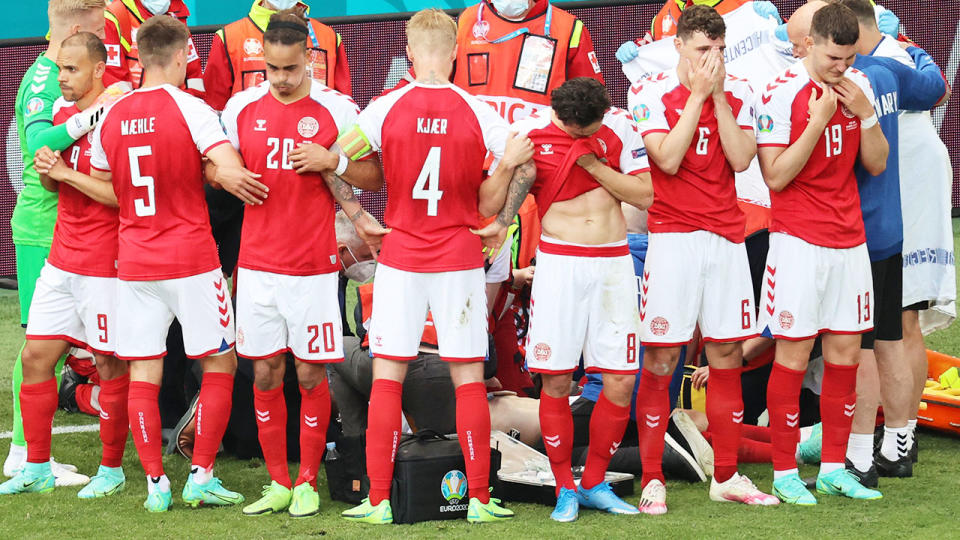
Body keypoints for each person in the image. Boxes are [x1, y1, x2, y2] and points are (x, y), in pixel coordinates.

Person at [335, 8, 530, 525]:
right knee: (467, 377)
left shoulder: (384, 108)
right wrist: (502, 222)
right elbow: (524, 162)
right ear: (456, 52)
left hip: (400, 255)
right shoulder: (477, 109)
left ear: (409, 49)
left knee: (387, 376)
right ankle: (481, 500)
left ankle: (378, 500)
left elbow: (336, 159)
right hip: (459, 257)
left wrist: (358, 215)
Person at [86, 14, 268, 512]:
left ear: (140, 55)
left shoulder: (115, 116)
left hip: (137, 262)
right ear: (186, 52)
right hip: (191, 259)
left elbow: (106, 186)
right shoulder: (192, 108)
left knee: (145, 368)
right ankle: (202, 474)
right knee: (220, 361)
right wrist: (219, 169)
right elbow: (228, 166)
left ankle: (154, 484)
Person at [218, 8, 382, 518]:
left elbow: (374, 175)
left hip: (313, 268)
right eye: (272, 69)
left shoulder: (339, 109)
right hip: (258, 268)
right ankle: (277, 483)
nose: (281, 79)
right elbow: (212, 159)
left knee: (311, 375)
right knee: (265, 373)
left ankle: (308, 480)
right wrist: (226, 176)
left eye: (290, 69)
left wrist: (331, 160)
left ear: (309, 58)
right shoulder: (240, 108)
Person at [475, 77, 653, 522]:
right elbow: (498, 196)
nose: (578, 137)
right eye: (571, 131)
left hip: (613, 265)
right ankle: (564, 488)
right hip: (559, 267)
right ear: (557, 115)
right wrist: (503, 199)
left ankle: (593, 481)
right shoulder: (531, 134)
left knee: (620, 379)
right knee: (554, 380)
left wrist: (593, 165)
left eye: (585, 131)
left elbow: (646, 195)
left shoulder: (617, 130)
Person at [628, 5, 777, 513]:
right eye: (701, 51)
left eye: (718, 51)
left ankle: (728, 476)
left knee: (727, 355)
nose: (712, 61)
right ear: (679, 47)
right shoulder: (648, 91)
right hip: (672, 241)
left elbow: (740, 159)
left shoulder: (740, 92)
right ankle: (653, 478)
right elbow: (666, 159)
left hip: (727, 240)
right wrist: (697, 97)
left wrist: (716, 96)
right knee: (662, 358)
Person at [755, 2, 888, 505]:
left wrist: (866, 113)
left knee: (846, 355)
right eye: (834, 58)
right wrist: (818, 122)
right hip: (797, 243)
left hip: (850, 240)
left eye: (850, 58)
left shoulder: (859, 86)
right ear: (810, 44)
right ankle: (785, 472)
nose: (842, 67)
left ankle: (834, 466)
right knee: (791, 353)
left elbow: (875, 164)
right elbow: (775, 176)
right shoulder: (780, 91)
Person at [0, 32, 128, 499]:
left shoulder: (118, 118)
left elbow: (120, 198)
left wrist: (64, 172)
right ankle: (35, 466)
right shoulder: (61, 115)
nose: (62, 78)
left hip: (104, 262)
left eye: (71, 70)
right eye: (59, 69)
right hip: (62, 256)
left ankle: (111, 470)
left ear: (99, 68)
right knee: (36, 357)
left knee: (112, 364)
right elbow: (55, 189)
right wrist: (48, 172)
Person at [833, 0, 948, 485]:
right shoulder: (890, 69)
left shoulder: (839, 79)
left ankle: (862, 451)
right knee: (895, 329)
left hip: (862, 222)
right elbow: (935, 88)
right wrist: (913, 52)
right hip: (891, 220)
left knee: (872, 336)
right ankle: (898, 439)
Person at [203, 0, 350, 112]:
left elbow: (344, 110)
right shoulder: (229, 38)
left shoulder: (329, 38)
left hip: (315, 142)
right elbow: (214, 111)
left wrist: (330, 152)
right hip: (251, 146)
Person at [102, 0, 203, 93]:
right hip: (134, 108)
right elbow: (114, 84)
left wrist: (189, 105)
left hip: (179, 106)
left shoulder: (176, 9)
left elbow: (194, 74)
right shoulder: (116, 16)